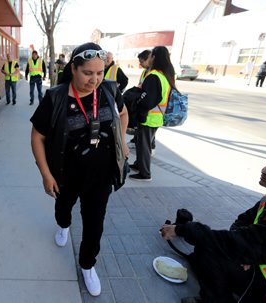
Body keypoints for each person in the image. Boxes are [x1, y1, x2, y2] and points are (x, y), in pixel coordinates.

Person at [30, 42, 129, 297]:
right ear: (73, 68)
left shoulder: (109, 90)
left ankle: (87, 264)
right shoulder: (56, 98)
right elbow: (37, 136)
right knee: (63, 209)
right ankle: (63, 225)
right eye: (88, 73)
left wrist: (122, 141)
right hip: (66, 174)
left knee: (95, 223)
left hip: (101, 175)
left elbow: (124, 112)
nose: (94, 79)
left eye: (99, 73)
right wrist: (46, 174)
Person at [161, 148, 266, 303]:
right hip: (255, 261)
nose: (265, 170)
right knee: (207, 250)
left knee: (210, 250)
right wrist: (243, 250)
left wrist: (180, 229)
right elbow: (243, 220)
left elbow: (227, 241)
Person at [129, 46, 176, 181]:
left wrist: (136, 101)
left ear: (154, 58)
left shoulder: (154, 76)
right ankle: (139, 165)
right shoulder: (164, 75)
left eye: (150, 56)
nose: (148, 58)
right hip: (155, 117)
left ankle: (145, 173)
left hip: (149, 117)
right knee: (141, 142)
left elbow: (148, 100)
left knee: (144, 146)